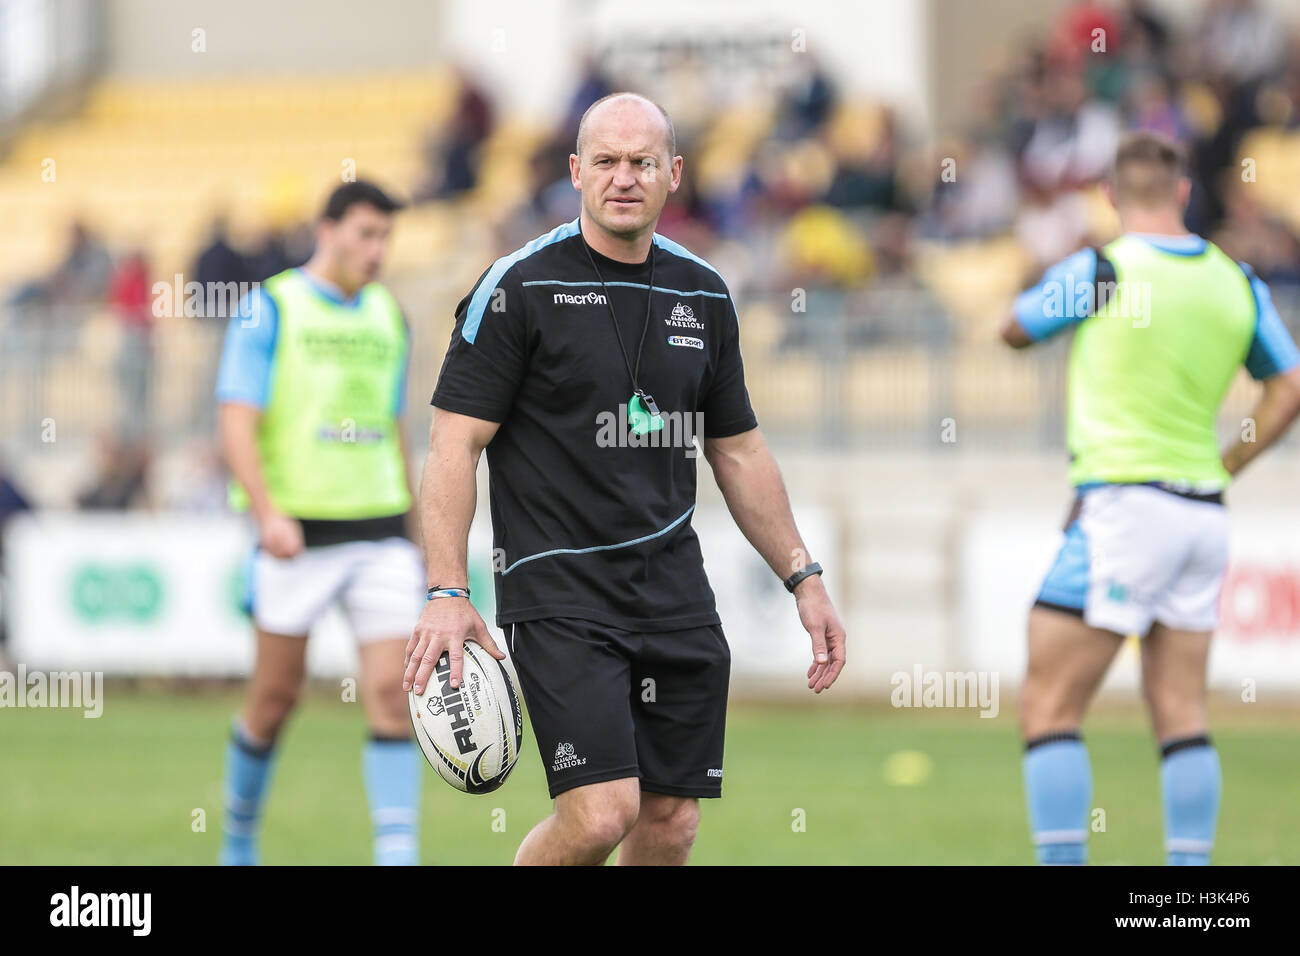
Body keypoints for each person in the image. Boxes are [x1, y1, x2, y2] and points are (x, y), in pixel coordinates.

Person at [405, 92, 847, 866]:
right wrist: (447, 593)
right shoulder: (517, 287)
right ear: (575, 172)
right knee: (603, 813)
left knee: (670, 820)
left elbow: (738, 451)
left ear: (674, 174)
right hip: (560, 592)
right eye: (605, 161)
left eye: (642, 162)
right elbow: (451, 447)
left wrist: (803, 576)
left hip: (674, 592)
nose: (624, 178)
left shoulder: (704, 292)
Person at [1001, 131, 1300, 866]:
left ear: (1109, 196)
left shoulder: (1105, 268)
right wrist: (1231, 458)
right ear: (1182, 192)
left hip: (1125, 507)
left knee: (1048, 705)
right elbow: (1289, 385)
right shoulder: (1236, 279)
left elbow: (1014, 329)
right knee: (1181, 714)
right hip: (1202, 509)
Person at [215, 180, 423, 865]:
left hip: (381, 529)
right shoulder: (270, 308)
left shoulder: (389, 315)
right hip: (297, 536)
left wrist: (422, 536)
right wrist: (268, 515)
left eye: (386, 236)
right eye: (366, 233)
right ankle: (239, 838)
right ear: (325, 229)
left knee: (394, 696)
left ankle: (398, 855)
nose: (377, 249)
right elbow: (237, 422)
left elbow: (396, 429)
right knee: (274, 701)